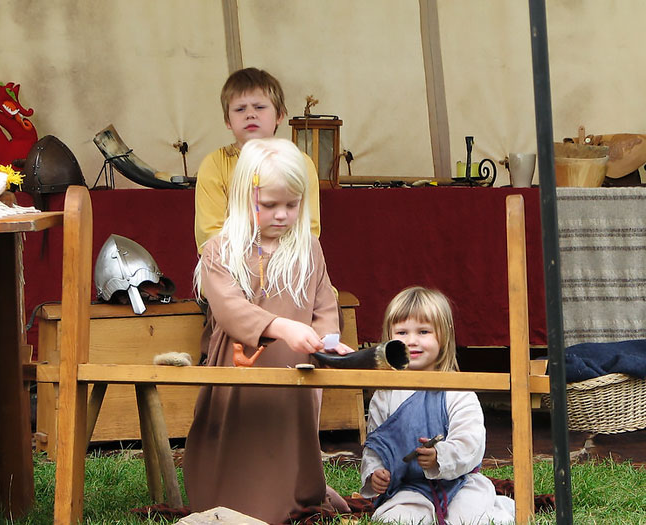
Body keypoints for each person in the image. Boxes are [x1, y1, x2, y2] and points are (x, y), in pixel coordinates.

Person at [183, 137, 352, 523]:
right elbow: (230, 310)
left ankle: (295, 494)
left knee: (288, 437)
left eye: (291, 205)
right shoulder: (220, 250)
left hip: (295, 370)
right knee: (240, 436)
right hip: (239, 370)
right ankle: (228, 500)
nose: (282, 215)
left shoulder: (309, 248)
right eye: (270, 205)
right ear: (245, 198)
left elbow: (325, 305)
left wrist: (327, 344)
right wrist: (281, 327)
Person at [360, 286, 515, 525]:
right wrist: (375, 473)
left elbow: (470, 441)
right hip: (407, 487)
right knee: (397, 520)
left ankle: (500, 508)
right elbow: (376, 444)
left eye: (423, 331)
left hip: (459, 482)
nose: (412, 341)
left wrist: (439, 457)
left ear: (442, 336)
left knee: (471, 519)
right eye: (401, 332)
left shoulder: (457, 390)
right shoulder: (384, 395)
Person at [194, 66, 320, 255]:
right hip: (231, 269)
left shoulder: (301, 163)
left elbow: (308, 229)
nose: (250, 114)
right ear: (227, 121)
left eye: (260, 107)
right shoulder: (214, 164)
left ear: (280, 115)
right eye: (240, 109)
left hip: (288, 267)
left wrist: (279, 266)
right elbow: (210, 234)